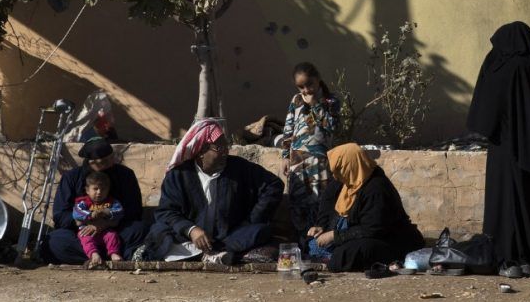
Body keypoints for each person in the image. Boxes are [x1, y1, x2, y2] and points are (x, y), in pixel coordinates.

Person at [467, 21, 530, 279]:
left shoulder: (500, 67)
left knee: (506, 200)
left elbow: (484, 111)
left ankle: (507, 250)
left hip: (504, 150)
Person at [139, 120, 284, 264]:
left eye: (226, 146)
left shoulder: (239, 167)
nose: (225, 152)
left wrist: (252, 219)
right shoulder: (179, 175)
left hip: (230, 235)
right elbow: (166, 212)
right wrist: (191, 230)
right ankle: (212, 256)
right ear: (201, 151)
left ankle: (210, 255)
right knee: (158, 233)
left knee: (260, 231)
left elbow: (274, 185)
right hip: (189, 238)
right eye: (218, 148)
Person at [307, 143, 424, 272]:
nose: (336, 176)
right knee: (311, 244)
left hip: (387, 238)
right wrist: (320, 226)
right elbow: (327, 203)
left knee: (349, 253)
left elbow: (373, 229)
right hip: (352, 234)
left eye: (340, 169)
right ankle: (330, 257)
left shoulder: (376, 188)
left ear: (350, 164)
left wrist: (335, 236)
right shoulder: (346, 181)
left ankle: (330, 261)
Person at [45, 137, 145, 264]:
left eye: (111, 158)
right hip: (82, 233)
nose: (111, 163)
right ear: (91, 162)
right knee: (56, 240)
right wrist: (86, 222)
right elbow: (60, 215)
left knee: (139, 229)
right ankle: (102, 254)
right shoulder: (71, 178)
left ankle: (106, 254)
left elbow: (134, 210)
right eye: (104, 161)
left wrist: (105, 224)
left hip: (115, 230)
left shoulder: (125, 175)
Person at [275, 62, 341, 249]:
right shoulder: (296, 100)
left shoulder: (331, 101)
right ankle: (301, 245)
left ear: (318, 79)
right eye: (301, 86)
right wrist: (285, 156)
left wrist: (315, 106)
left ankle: (317, 245)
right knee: (298, 203)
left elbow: (332, 127)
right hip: (297, 161)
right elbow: (289, 129)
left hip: (319, 161)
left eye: (309, 84)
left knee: (319, 201)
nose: (306, 89)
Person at [72, 171, 125, 267]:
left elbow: (120, 211)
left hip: (105, 231)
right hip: (87, 231)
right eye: (95, 189)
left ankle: (114, 253)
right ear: (87, 190)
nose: (99, 192)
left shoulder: (111, 202)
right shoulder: (84, 202)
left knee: (112, 235)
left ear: (108, 190)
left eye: (103, 189)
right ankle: (94, 254)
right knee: (85, 239)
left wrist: (106, 212)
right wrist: (90, 215)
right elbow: (76, 212)